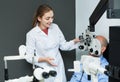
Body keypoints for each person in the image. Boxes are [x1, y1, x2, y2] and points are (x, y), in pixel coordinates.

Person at [25, 4, 80, 82]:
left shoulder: (55, 27)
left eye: (52, 17)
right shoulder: (31, 34)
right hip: (44, 69)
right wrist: (44, 59)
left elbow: (63, 46)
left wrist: (75, 41)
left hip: (58, 66)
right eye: (47, 18)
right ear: (39, 18)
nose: (51, 21)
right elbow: (29, 57)